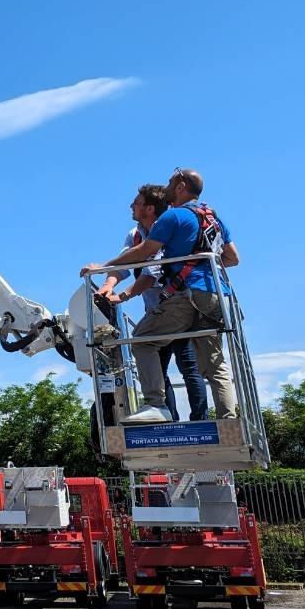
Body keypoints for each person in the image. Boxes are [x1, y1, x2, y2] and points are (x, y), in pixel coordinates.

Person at [80, 168, 239, 423]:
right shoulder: (213, 218)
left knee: (142, 340)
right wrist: (200, 260)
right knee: (214, 364)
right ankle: (228, 422)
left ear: (180, 186)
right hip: (216, 294)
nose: (166, 185)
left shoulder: (173, 216)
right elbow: (232, 258)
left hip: (186, 296)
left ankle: (157, 405)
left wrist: (103, 267)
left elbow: (146, 252)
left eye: (170, 180)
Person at [96, 184, 208, 422]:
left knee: (188, 365)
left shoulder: (165, 231)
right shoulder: (135, 234)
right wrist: (108, 284)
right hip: (155, 311)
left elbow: (150, 274)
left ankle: (200, 419)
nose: (131, 206)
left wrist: (122, 295)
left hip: (176, 307)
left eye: (136, 203)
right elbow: (124, 264)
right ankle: (168, 418)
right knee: (158, 368)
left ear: (148, 208)